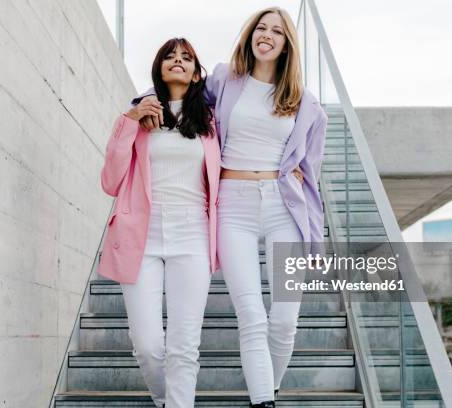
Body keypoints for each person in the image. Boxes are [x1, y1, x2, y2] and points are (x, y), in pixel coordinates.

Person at [133, 7, 327, 407]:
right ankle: (263, 400)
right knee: (252, 316)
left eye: (277, 31)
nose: (267, 35)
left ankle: (268, 387)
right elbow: (178, 90)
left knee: (285, 320)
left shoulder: (307, 105)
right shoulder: (225, 78)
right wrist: (141, 103)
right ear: (250, 34)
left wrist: (299, 190)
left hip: (282, 208)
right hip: (233, 206)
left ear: (287, 43)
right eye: (261, 27)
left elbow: (311, 170)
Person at [96, 38, 221, 408]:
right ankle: (166, 399)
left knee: (184, 345)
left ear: (197, 73)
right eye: (170, 56)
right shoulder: (140, 117)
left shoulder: (211, 122)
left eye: (186, 57)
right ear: (159, 68)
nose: (178, 61)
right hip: (142, 235)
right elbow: (110, 182)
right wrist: (128, 121)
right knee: (148, 345)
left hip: (193, 233)